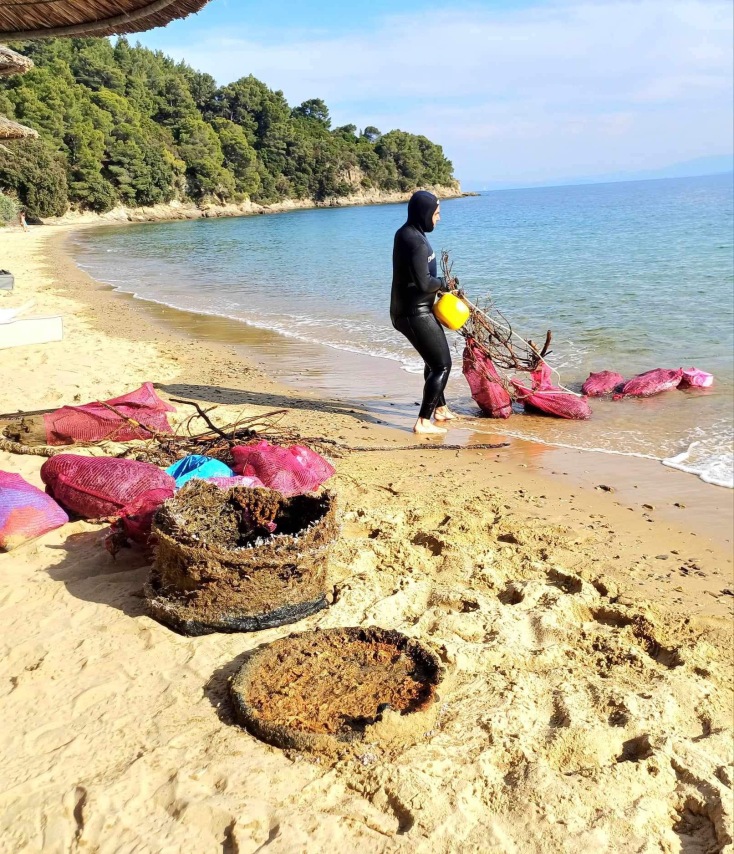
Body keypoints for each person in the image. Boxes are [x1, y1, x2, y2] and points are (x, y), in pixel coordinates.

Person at [391, 190, 455, 435]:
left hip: (415, 310)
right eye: (436, 214)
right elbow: (424, 283)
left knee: (434, 360)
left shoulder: (411, 234)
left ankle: (440, 409)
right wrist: (443, 285)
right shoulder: (414, 240)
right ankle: (423, 422)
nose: (438, 219)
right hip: (412, 313)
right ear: (424, 213)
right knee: (442, 365)